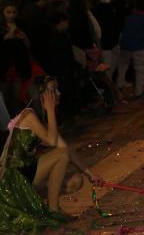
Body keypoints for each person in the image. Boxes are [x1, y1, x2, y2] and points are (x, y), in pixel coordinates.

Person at [0, 76, 103, 232]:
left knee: (76, 180)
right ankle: (54, 210)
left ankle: (52, 207)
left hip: (26, 173)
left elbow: (66, 148)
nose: (58, 93)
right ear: (42, 96)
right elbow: (53, 141)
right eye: (53, 90)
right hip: (13, 179)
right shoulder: (28, 115)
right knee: (61, 155)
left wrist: (91, 175)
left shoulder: (41, 119)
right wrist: (50, 110)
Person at [116, 0, 144, 98]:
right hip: (138, 47)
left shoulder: (128, 18)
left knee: (122, 67)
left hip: (125, 46)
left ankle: (119, 87)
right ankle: (138, 92)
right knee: (140, 70)